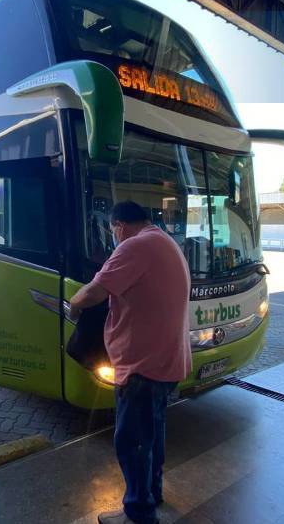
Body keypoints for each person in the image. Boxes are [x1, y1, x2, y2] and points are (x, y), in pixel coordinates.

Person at [69, 201, 192, 524]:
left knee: (132, 442)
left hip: (143, 366)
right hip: (168, 361)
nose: (113, 238)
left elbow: (94, 292)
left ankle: (138, 514)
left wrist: (74, 304)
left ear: (119, 226)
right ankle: (152, 493)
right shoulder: (165, 241)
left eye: (113, 232)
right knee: (152, 436)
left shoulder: (134, 246)